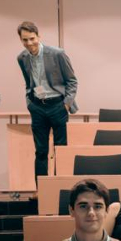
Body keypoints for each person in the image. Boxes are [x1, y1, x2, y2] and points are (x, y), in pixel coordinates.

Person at [16, 21, 77, 177]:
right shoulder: (22, 58)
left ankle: (59, 185)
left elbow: (72, 81)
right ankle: (41, 188)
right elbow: (28, 83)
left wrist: (66, 104)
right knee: (41, 151)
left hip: (58, 106)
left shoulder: (57, 54)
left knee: (60, 149)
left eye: (32, 38)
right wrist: (30, 103)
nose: (29, 43)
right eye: (25, 40)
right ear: (21, 40)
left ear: (38, 36)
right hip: (37, 107)